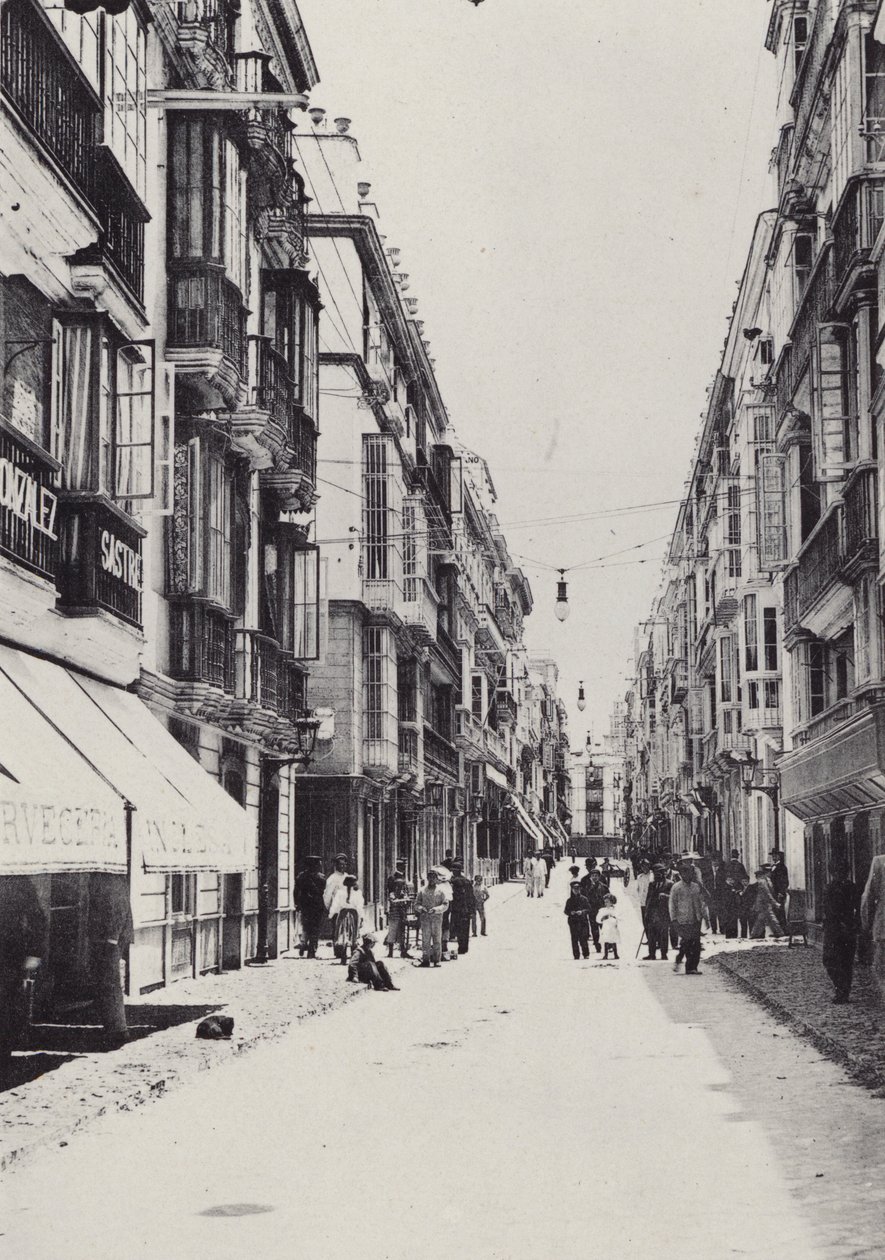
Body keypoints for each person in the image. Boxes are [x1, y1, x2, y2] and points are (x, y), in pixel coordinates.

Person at [0, 876, 46, 1075]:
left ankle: (3, 1056)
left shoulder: (17, 881)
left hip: (9, 952)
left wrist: (34, 952)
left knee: (6, 1005)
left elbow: (38, 918)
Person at [88, 873, 133, 1049]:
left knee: (110, 983)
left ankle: (118, 1030)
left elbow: (119, 908)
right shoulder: (104, 876)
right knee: (105, 982)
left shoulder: (111, 878)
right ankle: (112, 1028)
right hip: (103, 937)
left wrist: (112, 937)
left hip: (110, 938)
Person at [822, 858, 859, 1004]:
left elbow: (855, 907)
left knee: (840, 961)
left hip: (840, 930)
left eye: (841, 871)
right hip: (840, 929)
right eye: (836, 871)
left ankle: (842, 991)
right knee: (837, 961)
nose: (838, 874)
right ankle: (842, 990)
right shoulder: (834, 888)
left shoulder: (841, 887)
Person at [668, 859, 708, 975]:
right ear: (681, 875)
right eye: (685, 873)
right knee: (686, 942)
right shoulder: (676, 887)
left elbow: (701, 903)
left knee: (695, 944)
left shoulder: (696, 887)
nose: (688, 875)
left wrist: (705, 918)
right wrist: (673, 919)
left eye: (690, 873)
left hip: (695, 919)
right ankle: (680, 959)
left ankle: (692, 967)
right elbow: (672, 905)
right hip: (682, 920)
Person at [861, 854, 885, 1006]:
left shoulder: (880, 862)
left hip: (884, 926)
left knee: (881, 965)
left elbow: (868, 896)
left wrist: (866, 924)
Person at [294, 855, 327, 958]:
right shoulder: (321, 877)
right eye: (319, 864)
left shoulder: (301, 876)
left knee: (306, 926)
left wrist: (297, 903)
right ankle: (312, 950)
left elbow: (296, 892)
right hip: (317, 906)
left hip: (305, 905)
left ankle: (304, 945)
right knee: (315, 928)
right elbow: (323, 892)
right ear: (315, 865)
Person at [328, 875, 364, 963]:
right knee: (353, 935)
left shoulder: (340, 892)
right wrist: (362, 917)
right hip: (353, 914)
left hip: (343, 914)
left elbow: (335, 904)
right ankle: (353, 956)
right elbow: (360, 906)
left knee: (343, 935)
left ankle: (343, 956)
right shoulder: (358, 893)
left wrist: (331, 914)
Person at [415, 870, 447, 967]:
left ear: (436, 879)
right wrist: (421, 908)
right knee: (425, 940)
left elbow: (445, 904)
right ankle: (426, 960)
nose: (431, 880)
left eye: (433, 878)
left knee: (437, 939)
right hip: (425, 919)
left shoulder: (441, 891)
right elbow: (416, 904)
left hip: (437, 918)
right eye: (430, 878)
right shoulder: (422, 891)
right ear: (427, 879)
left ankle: (437, 960)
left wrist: (436, 909)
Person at [644, 865, 672, 960]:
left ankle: (664, 954)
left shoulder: (670, 884)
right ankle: (652, 954)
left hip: (664, 913)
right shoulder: (652, 884)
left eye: (661, 872)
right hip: (653, 913)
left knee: (663, 934)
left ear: (664, 873)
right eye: (656, 873)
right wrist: (647, 912)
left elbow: (674, 898)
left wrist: (665, 896)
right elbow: (648, 899)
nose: (658, 874)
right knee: (651, 934)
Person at [449, 861, 476, 955]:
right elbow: (472, 897)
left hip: (457, 909)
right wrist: (472, 910)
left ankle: (461, 947)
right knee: (465, 929)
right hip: (466, 909)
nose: (453, 872)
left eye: (454, 870)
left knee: (458, 928)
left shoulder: (454, 881)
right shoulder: (467, 881)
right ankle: (464, 947)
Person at [749, 868, 783, 939]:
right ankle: (779, 933)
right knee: (771, 919)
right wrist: (775, 903)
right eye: (769, 872)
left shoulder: (766, 880)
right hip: (764, 903)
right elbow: (767, 894)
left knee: (762, 919)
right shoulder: (762, 882)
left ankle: (754, 934)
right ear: (766, 873)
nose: (770, 873)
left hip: (765, 904)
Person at [580, 867, 607, 953]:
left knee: (604, 928)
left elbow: (609, 897)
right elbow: (584, 898)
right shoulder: (587, 887)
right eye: (593, 876)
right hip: (592, 911)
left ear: (599, 877)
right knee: (594, 929)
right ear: (590, 877)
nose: (594, 877)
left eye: (596, 876)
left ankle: (608, 944)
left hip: (602, 911)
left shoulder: (604, 887)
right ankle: (597, 945)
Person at [385, 873, 411, 959]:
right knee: (392, 933)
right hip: (394, 915)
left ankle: (403, 951)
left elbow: (407, 902)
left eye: (402, 886)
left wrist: (404, 901)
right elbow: (393, 901)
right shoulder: (392, 894)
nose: (400, 888)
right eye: (399, 886)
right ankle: (390, 952)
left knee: (402, 933)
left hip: (402, 915)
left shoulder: (403, 894)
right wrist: (402, 901)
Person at [324, 853, 349, 943]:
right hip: (337, 907)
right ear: (336, 865)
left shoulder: (347, 876)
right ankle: (337, 947)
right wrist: (329, 908)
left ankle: (345, 945)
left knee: (347, 928)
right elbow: (328, 894)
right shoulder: (332, 878)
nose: (342, 866)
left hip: (347, 906)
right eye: (340, 864)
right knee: (337, 928)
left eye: (344, 864)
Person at [564, 880, 592, 959]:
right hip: (573, 922)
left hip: (583, 921)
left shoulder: (584, 899)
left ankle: (586, 954)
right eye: (574, 889)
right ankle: (576, 955)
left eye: (578, 889)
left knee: (584, 937)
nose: (576, 890)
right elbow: (566, 911)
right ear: (572, 890)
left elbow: (589, 909)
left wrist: (582, 912)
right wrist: (571, 912)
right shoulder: (569, 901)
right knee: (574, 938)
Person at [770, 851, 790, 931]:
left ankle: (784, 930)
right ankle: (778, 931)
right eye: (773, 856)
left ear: (779, 857)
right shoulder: (773, 867)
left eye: (775, 856)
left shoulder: (782, 867)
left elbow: (785, 881)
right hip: (774, 892)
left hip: (779, 893)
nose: (773, 857)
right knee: (776, 911)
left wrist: (781, 892)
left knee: (780, 912)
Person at [597, 893, 620, 961]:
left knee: (613, 940)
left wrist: (615, 919)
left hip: (613, 927)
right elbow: (598, 919)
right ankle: (605, 955)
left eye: (607, 902)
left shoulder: (615, 910)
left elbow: (619, 917)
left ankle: (616, 954)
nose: (606, 903)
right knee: (606, 941)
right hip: (606, 927)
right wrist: (603, 918)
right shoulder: (603, 910)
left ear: (611, 902)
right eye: (605, 902)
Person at [635, 860, 652, 933]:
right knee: (645, 922)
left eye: (646, 866)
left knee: (651, 923)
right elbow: (638, 889)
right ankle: (648, 938)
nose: (644, 868)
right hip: (643, 903)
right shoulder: (640, 877)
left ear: (648, 866)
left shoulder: (652, 875)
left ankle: (653, 940)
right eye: (642, 866)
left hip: (651, 903)